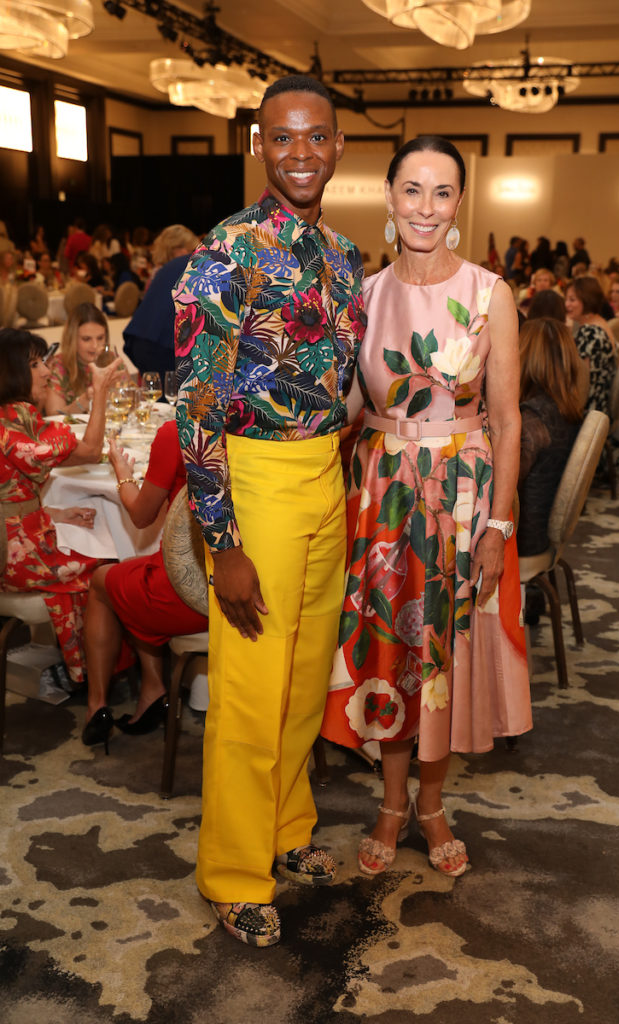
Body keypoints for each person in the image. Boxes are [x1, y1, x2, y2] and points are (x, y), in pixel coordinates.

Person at [173, 74, 365, 947]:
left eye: (315, 137)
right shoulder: (228, 251)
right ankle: (232, 871)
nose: (300, 152)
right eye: (282, 137)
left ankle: (286, 834)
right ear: (259, 144)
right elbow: (196, 408)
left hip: (325, 482)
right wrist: (226, 544)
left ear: (336, 145)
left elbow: (346, 383)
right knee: (250, 693)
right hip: (253, 488)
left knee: (299, 683)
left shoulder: (343, 254)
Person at [320, 136, 532, 881]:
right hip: (382, 494)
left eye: (441, 193)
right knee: (390, 649)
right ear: (386, 196)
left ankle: (433, 804)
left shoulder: (489, 294)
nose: (425, 208)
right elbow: (346, 405)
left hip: (462, 498)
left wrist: (497, 526)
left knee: (443, 655)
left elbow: (505, 421)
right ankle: (387, 802)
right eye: (411, 190)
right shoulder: (365, 295)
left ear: (458, 204)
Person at [0, 328, 122, 686]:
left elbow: (9, 495)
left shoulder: (12, 416)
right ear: (12, 370)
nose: (46, 371)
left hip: (17, 535)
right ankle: (102, 675)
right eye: (35, 364)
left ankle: (87, 670)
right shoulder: (12, 425)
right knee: (111, 565)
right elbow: (90, 450)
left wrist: (54, 513)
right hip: (9, 555)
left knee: (91, 540)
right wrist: (100, 391)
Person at [81, 422, 208, 752]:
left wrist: (122, 474)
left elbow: (140, 516)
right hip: (244, 589)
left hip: (188, 594)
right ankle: (153, 689)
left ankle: (96, 707)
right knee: (134, 572)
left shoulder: (177, 431)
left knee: (102, 581)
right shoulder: (256, 425)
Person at [517, 318, 585, 557]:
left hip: (521, 540)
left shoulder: (530, 420)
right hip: (541, 533)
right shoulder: (567, 411)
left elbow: (504, 488)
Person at [123, 250, 191, 376]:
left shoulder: (179, 263)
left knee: (154, 392)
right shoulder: (218, 267)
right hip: (166, 348)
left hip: (140, 339)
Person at [45, 302, 108, 415]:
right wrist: (84, 400)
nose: (95, 345)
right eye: (86, 339)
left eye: (100, 338)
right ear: (72, 339)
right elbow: (54, 417)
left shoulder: (111, 360)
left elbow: (134, 401)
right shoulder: (57, 366)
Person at [565, 276, 616, 415]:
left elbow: (581, 385)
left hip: (589, 412)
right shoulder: (599, 322)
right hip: (600, 408)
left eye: (572, 300)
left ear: (587, 300)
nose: (566, 305)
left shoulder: (589, 333)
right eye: (566, 299)